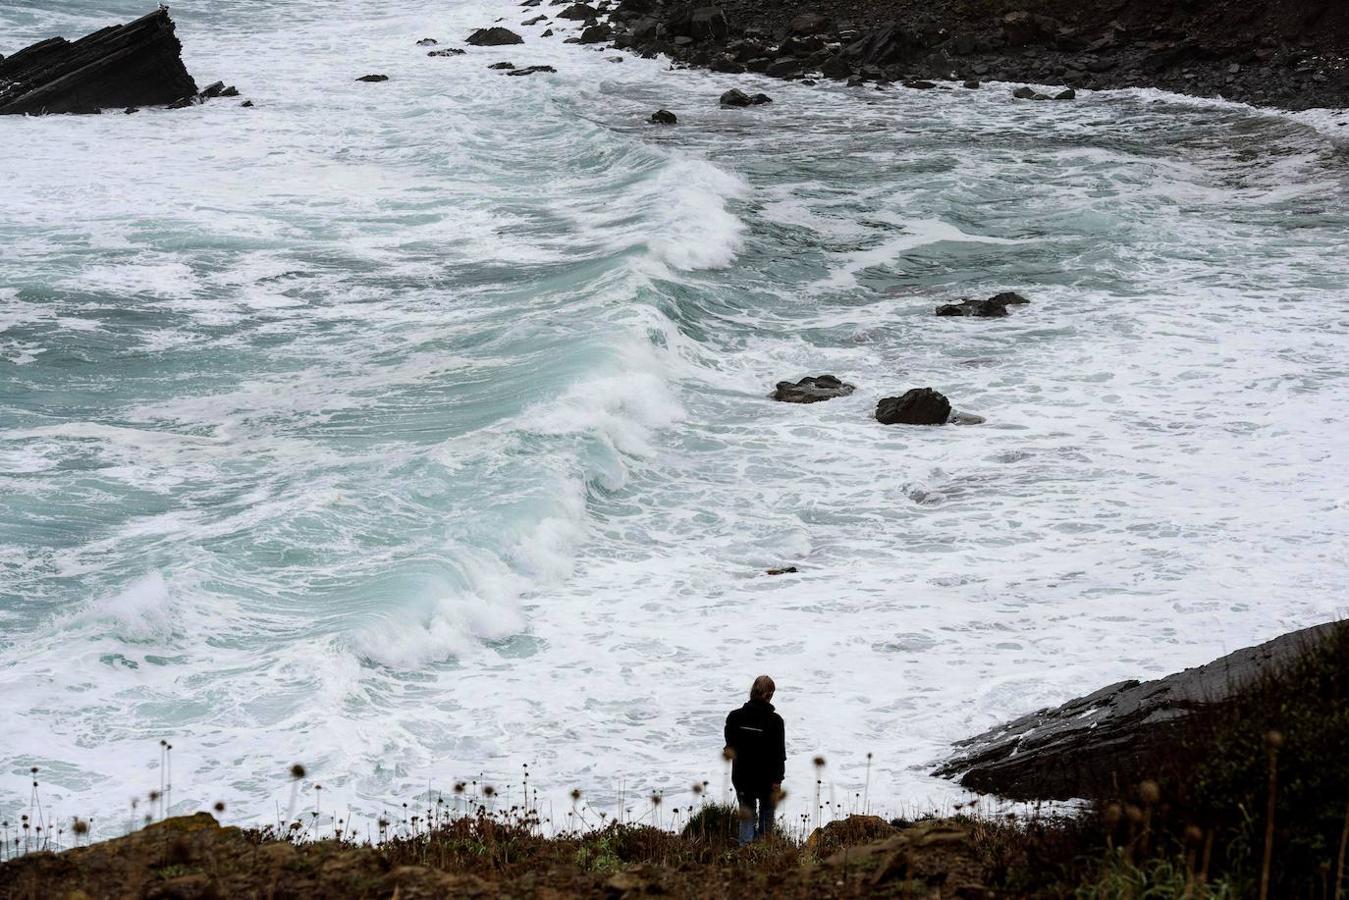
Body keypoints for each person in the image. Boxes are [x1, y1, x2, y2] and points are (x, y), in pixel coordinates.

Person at [724, 674, 785, 845]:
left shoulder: (734, 717)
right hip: (767, 780)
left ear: (752, 692)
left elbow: (730, 747)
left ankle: (745, 854)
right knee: (766, 819)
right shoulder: (775, 721)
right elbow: (779, 754)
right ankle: (763, 856)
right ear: (769, 695)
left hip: (742, 778)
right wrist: (778, 779)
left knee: (747, 816)